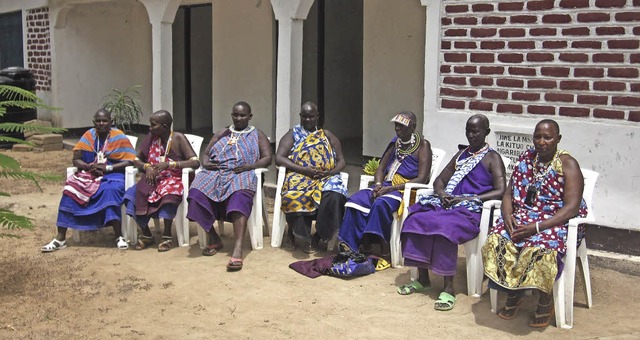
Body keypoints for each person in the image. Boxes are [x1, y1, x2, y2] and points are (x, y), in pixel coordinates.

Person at [481, 119, 588, 328]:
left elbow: (572, 208)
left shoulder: (567, 164)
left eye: (547, 137)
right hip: (525, 216)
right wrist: (508, 215)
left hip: (556, 221)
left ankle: (545, 300)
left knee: (539, 248)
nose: (541, 141)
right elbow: (509, 192)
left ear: (558, 139)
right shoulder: (526, 158)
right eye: (537, 136)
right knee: (497, 240)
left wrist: (537, 227)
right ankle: (513, 292)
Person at [398, 114, 506, 311]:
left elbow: (500, 190)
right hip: (448, 205)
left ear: (486, 133)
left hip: (471, 211)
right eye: (468, 131)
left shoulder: (492, 158)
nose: (471, 135)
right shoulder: (461, 155)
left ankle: (448, 288)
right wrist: (442, 194)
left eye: (476, 131)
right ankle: (423, 279)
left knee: (444, 228)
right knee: (415, 218)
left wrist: (467, 199)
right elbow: (439, 180)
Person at [186, 101, 272, 271]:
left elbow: (267, 158)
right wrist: (206, 163)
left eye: (242, 115)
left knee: (240, 195)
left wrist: (249, 167)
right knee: (196, 192)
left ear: (250, 116)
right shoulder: (222, 132)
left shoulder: (257, 134)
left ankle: (238, 247)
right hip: (217, 172)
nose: (238, 118)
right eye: (235, 115)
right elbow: (205, 153)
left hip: (243, 172)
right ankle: (213, 236)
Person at [41, 109, 136, 252]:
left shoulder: (119, 137)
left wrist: (107, 169)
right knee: (69, 190)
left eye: (105, 120)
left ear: (111, 122)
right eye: (98, 121)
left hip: (112, 174)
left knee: (110, 190)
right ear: (94, 122)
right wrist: (88, 166)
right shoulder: (88, 135)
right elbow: (76, 159)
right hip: (90, 173)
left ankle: (119, 236)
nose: (101, 123)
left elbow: (130, 161)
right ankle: (60, 238)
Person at [337, 111, 432, 255]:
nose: (398, 129)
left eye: (402, 126)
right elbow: (381, 168)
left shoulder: (423, 146)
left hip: (404, 191)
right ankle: (357, 244)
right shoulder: (395, 142)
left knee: (380, 204)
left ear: (413, 127)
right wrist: (378, 185)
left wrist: (390, 189)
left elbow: (422, 178)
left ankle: (384, 249)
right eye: (396, 126)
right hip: (386, 186)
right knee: (355, 200)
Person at [275, 102, 348, 254]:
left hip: (325, 176)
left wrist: (330, 173)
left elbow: (342, 161)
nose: (308, 120)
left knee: (336, 196)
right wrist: (304, 170)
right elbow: (279, 158)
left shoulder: (326, 135)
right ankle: (299, 234)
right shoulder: (293, 134)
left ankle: (319, 236)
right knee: (293, 194)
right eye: (305, 117)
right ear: (300, 116)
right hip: (300, 174)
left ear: (317, 116)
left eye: (311, 116)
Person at [125, 110, 200, 252]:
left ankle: (167, 235)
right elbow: (136, 159)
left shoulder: (178, 138)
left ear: (164, 126)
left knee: (169, 194)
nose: (150, 128)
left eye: (153, 125)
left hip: (174, 178)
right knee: (131, 195)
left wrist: (170, 165)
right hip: (153, 178)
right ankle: (147, 234)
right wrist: (147, 167)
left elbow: (195, 162)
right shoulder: (151, 138)